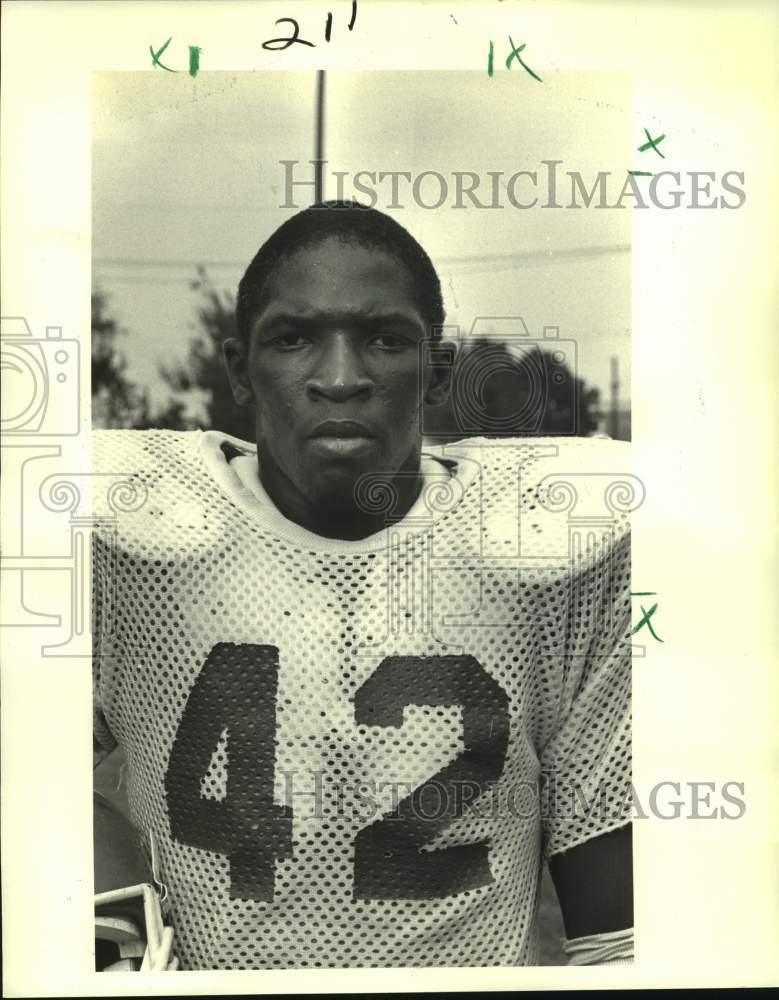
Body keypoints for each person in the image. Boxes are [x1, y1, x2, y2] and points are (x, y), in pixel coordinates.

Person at [92, 201, 634, 970]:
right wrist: (107, 904)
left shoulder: (551, 553)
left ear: (436, 373)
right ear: (241, 371)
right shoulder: (132, 533)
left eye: (384, 340)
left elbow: (621, 937)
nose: (341, 379)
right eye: (293, 338)